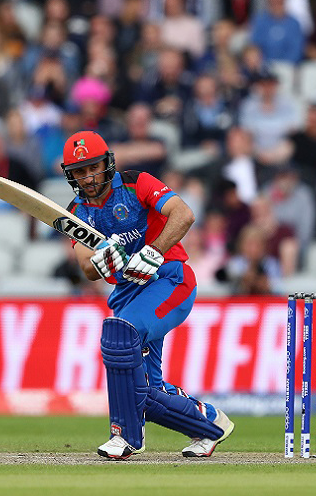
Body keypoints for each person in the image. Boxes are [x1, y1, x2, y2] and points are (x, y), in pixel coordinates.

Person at [60, 130, 235, 460]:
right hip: (128, 294)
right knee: (146, 392)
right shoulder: (77, 211)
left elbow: (184, 214)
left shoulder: (135, 182)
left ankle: (125, 435)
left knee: (120, 333)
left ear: (107, 163)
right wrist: (100, 261)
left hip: (168, 279)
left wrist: (154, 250)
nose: (89, 177)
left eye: (93, 167)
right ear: (71, 176)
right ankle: (210, 425)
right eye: (80, 172)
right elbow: (86, 266)